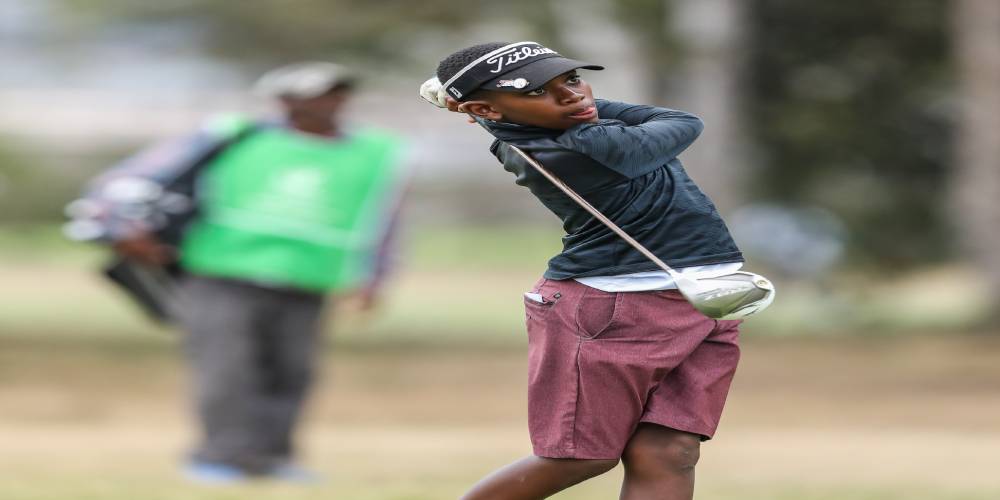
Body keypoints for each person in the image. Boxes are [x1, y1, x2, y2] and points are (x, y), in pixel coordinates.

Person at [420, 42, 746, 499]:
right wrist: (573, 106)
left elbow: (526, 114)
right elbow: (683, 121)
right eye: (538, 91)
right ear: (483, 108)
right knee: (579, 456)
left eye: (571, 80)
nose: (572, 96)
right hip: (614, 307)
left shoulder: (533, 124)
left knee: (669, 450)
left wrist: (504, 106)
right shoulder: (587, 144)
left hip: (701, 294)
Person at [68, 62, 407, 483]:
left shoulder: (375, 151)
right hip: (222, 268)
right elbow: (133, 178)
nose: (331, 103)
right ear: (285, 100)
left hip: (311, 275)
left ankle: (272, 457)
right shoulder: (235, 135)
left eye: (338, 94)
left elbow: (384, 218)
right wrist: (120, 226)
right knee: (227, 368)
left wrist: (375, 277)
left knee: (291, 371)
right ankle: (220, 457)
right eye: (318, 94)